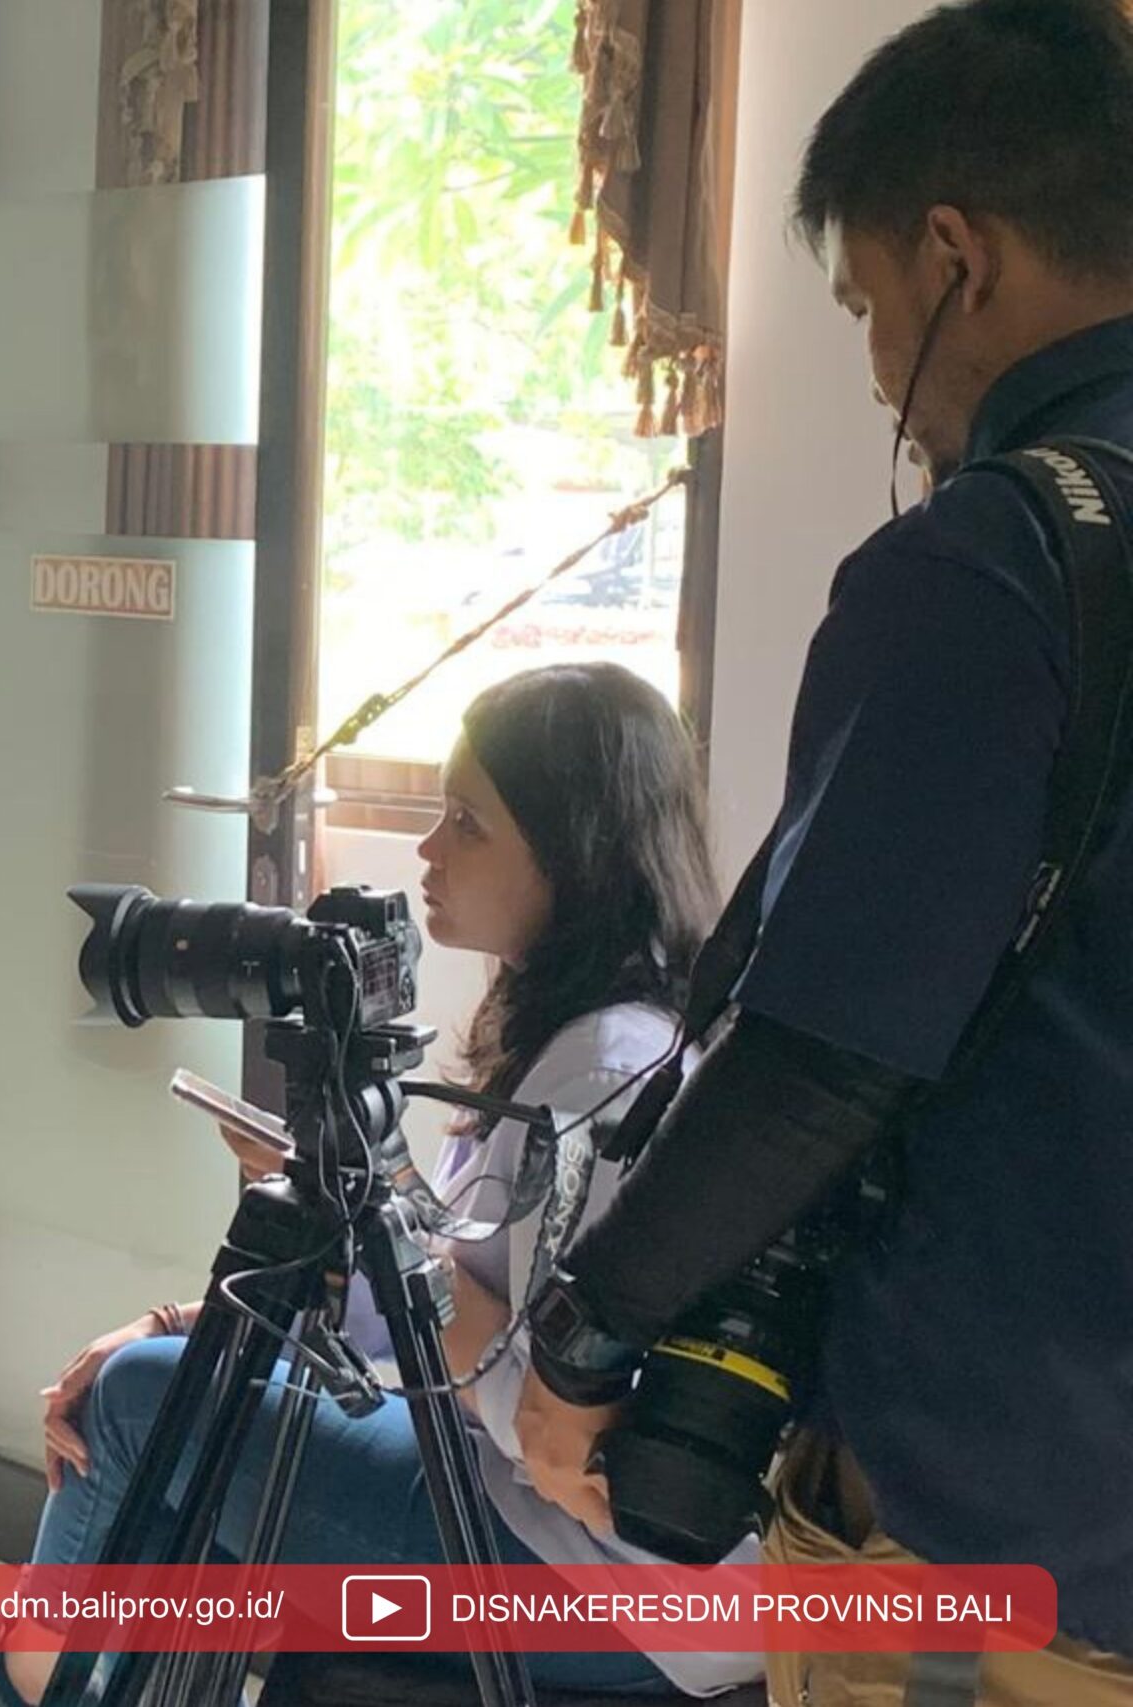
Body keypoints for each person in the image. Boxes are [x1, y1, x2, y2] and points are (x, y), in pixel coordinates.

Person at [518, 4, 1133, 1701]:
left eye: (866, 305)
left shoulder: (997, 562)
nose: (877, 374)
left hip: (1002, 1510)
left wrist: (587, 1332)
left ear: (956, 255)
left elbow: (824, 1054)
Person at [0, 663, 760, 1706]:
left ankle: (15, 1681)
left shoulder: (602, 1072)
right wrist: (189, 1317)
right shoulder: (605, 1032)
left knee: (137, 1406)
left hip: (604, 1583)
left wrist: (375, 1224)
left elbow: (537, 1400)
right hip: (552, 1522)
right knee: (165, 1380)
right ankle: (57, 1664)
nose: (428, 850)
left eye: (467, 824)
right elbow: (422, 1324)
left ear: (573, 852)